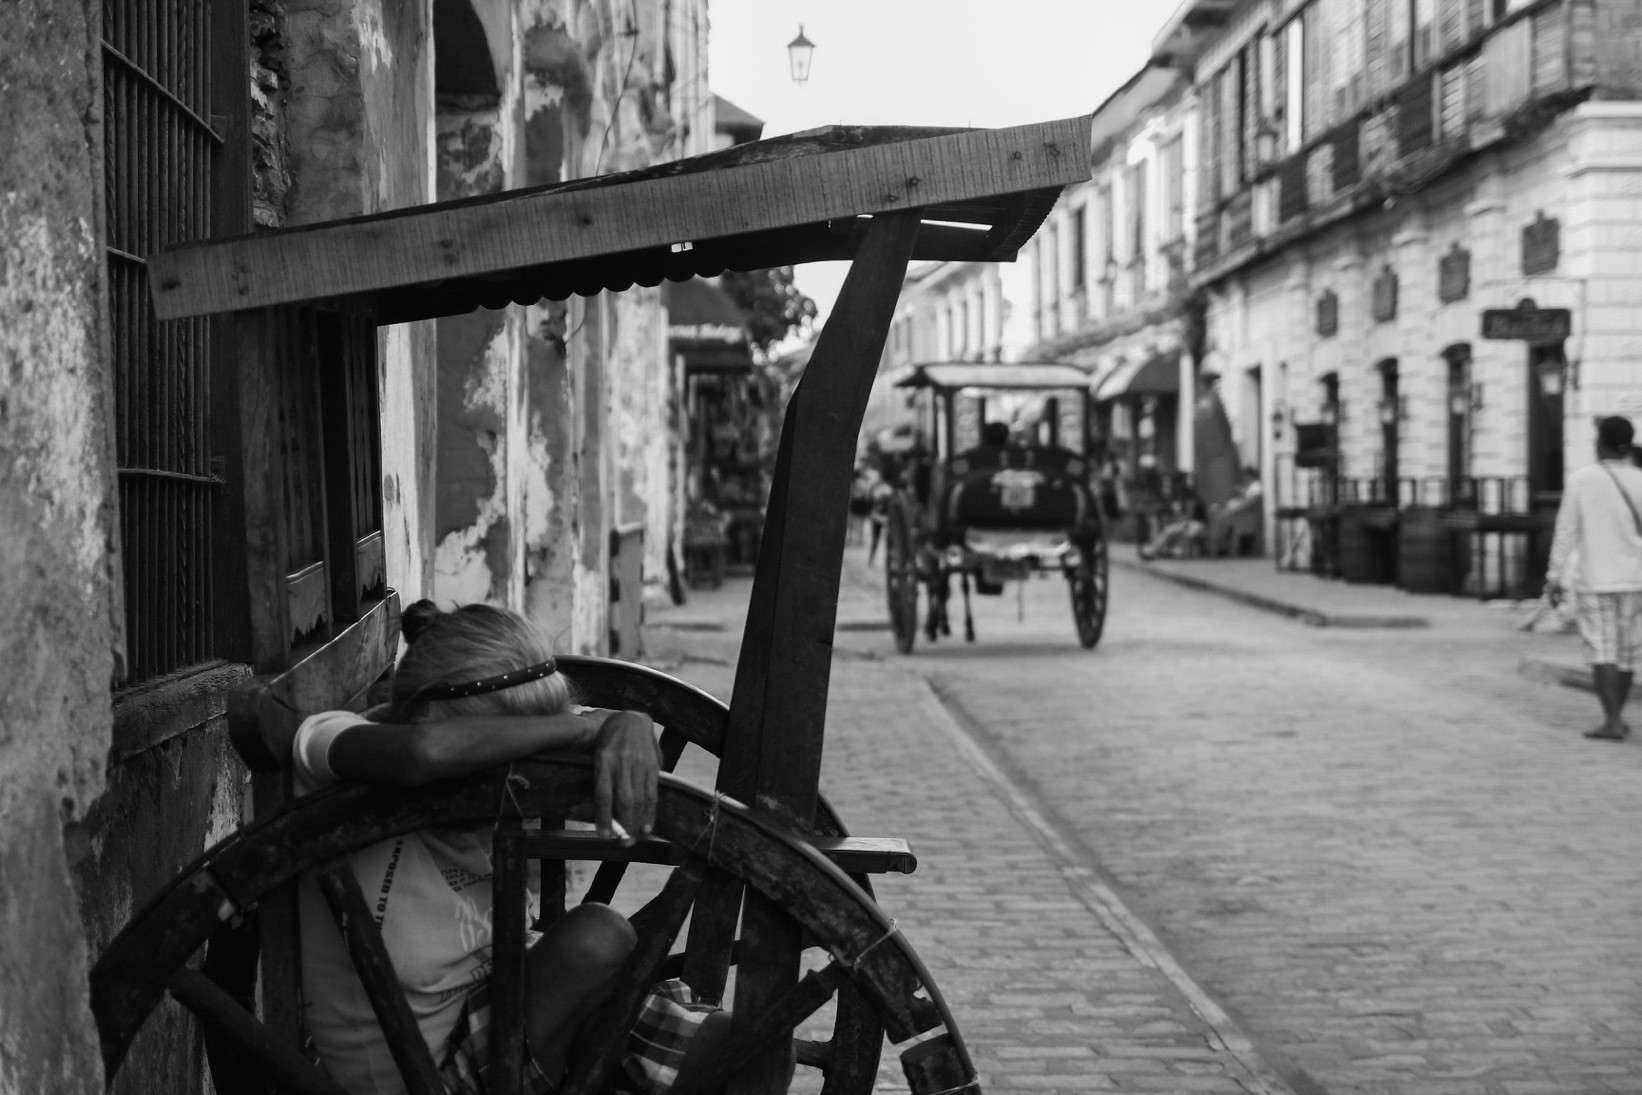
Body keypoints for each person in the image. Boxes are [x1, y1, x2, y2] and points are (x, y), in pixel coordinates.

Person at [292, 600, 735, 1095]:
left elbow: (637, 750)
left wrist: (626, 721)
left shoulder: (514, 732)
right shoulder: (335, 747)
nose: (518, 783)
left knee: (743, 1048)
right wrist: (586, 728)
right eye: (502, 751)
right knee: (598, 937)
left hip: (504, 1010)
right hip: (422, 1074)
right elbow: (425, 753)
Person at [1546, 416, 1642, 742]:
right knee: (1627, 652)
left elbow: (1566, 533)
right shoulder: (1640, 480)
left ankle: (1612, 720)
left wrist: (1554, 577)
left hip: (1596, 578)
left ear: (1600, 442)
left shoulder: (1581, 481)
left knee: (1603, 651)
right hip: (1635, 579)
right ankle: (1617, 717)